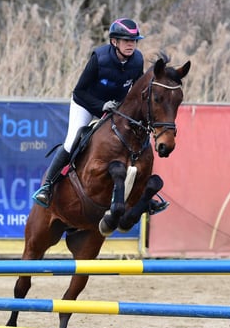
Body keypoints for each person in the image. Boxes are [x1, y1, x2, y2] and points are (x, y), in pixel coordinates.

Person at [32, 17, 145, 208]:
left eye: (133, 41)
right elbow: (79, 92)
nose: (131, 45)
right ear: (114, 42)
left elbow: (136, 91)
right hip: (85, 104)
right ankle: (47, 187)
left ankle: (144, 196)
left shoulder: (137, 61)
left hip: (116, 109)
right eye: (126, 41)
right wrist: (101, 106)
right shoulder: (99, 59)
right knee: (71, 142)